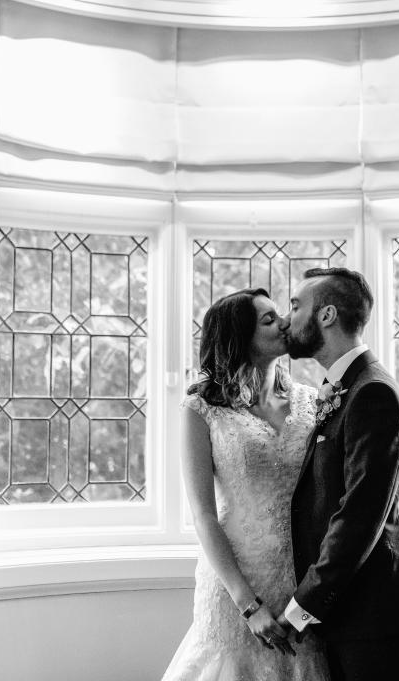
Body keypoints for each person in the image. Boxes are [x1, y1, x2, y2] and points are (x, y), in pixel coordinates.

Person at [161, 288, 330, 681]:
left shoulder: (312, 400)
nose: (285, 322)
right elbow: (203, 515)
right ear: (240, 338)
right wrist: (247, 604)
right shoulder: (201, 410)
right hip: (236, 583)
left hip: (300, 578)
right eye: (269, 320)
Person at [276, 267, 399, 681]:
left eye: (295, 305)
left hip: (376, 624)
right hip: (349, 619)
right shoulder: (345, 387)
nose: (287, 318)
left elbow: (358, 517)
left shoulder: (373, 393)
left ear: (326, 315)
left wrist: (299, 609)